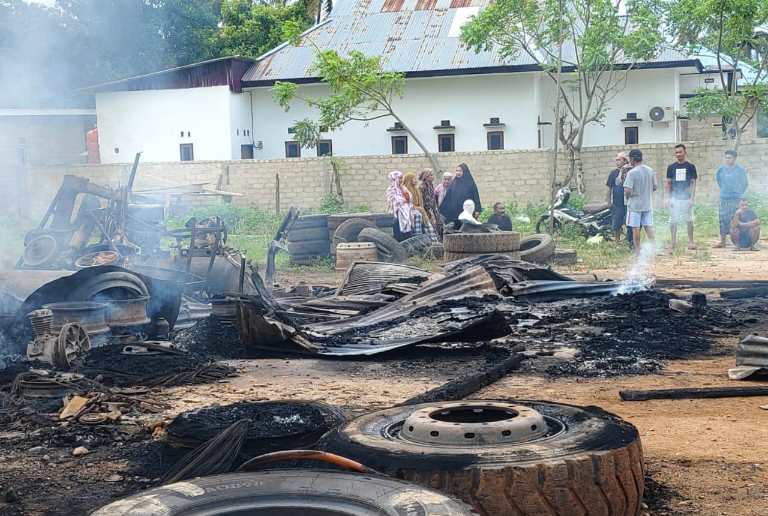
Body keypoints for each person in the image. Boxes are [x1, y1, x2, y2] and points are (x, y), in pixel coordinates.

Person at [623, 149, 657, 255]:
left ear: (632, 159)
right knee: (648, 226)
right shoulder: (650, 170)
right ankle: (654, 248)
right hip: (647, 204)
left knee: (635, 228)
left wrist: (628, 197)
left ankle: (637, 250)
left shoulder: (632, 173)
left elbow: (627, 190)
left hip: (634, 205)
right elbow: (655, 187)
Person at [664, 144, 698, 251]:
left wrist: (692, 198)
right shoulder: (671, 167)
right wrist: (667, 198)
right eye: (676, 152)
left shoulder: (691, 167)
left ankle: (691, 242)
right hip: (675, 198)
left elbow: (693, 183)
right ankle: (673, 242)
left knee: (689, 220)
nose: (678, 154)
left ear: (685, 152)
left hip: (686, 198)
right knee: (673, 221)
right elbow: (668, 183)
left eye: (680, 152)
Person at [714, 150, 749, 248]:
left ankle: (739, 241)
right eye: (726, 157)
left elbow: (745, 183)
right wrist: (725, 190)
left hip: (736, 198)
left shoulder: (740, 170)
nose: (727, 159)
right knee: (722, 219)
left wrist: (739, 193)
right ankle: (723, 241)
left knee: (737, 219)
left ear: (734, 158)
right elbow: (719, 181)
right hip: (724, 198)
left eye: (729, 157)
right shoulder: (721, 169)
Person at [439, 163, 482, 229]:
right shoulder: (454, 183)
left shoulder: (470, 183)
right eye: (457, 170)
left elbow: (476, 196)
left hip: (467, 214)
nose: (458, 172)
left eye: (460, 171)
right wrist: (442, 209)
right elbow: (448, 197)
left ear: (464, 171)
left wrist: (477, 210)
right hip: (455, 214)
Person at [605, 152, 633, 246]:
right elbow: (609, 188)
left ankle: (630, 242)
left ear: (625, 161)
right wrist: (608, 201)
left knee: (629, 223)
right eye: (616, 160)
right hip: (617, 203)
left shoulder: (631, 172)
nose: (617, 162)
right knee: (616, 223)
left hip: (629, 202)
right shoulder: (613, 173)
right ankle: (617, 242)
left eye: (619, 160)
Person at [402, 171, 438, 242]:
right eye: (413, 179)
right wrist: (418, 209)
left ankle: (434, 241)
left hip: (421, 210)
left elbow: (421, 202)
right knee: (418, 217)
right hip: (413, 212)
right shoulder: (405, 191)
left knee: (428, 225)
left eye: (415, 179)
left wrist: (422, 210)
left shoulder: (417, 190)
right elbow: (407, 204)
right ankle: (419, 239)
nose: (415, 180)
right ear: (409, 180)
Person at [385, 170, 413, 242]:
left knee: (407, 232)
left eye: (401, 178)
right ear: (395, 179)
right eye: (399, 178)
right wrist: (403, 200)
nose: (401, 180)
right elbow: (394, 200)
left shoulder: (403, 188)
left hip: (406, 211)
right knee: (399, 232)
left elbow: (409, 197)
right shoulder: (391, 189)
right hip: (397, 213)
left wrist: (406, 198)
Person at [418, 168, 444, 238]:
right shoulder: (422, 187)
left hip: (433, 210)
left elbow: (433, 199)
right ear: (426, 177)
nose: (433, 176)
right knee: (431, 229)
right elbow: (423, 202)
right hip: (428, 211)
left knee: (438, 227)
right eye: (431, 175)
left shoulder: (431, 185)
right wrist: (428, 213)